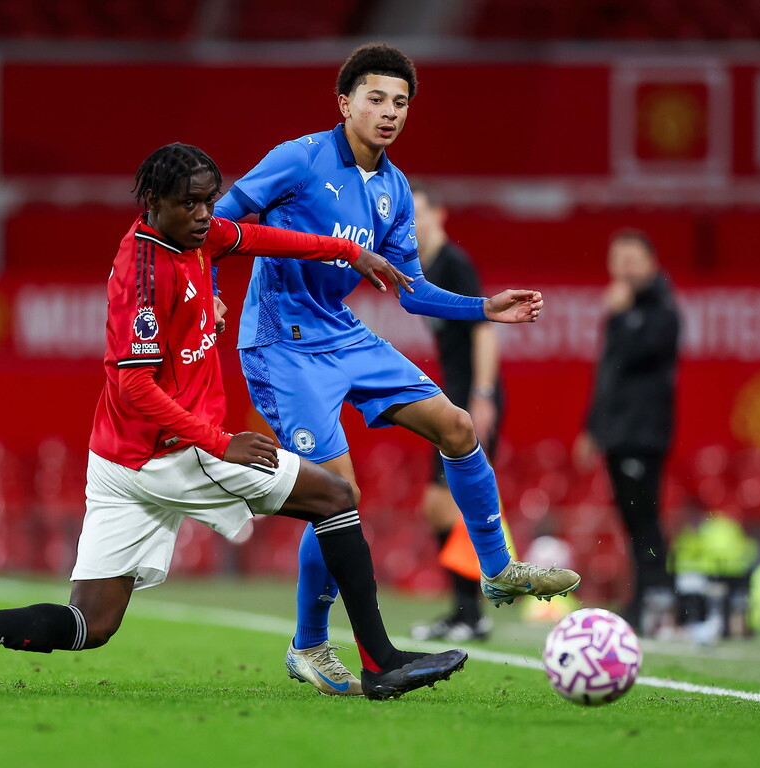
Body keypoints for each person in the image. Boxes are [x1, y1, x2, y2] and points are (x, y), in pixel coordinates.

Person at [0, 143, 468, 701]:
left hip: (117, 459)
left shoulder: (194, 237)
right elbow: (135, 386)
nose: (205, 214)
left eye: (209, 200)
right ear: (153, 203)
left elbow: (262, 238)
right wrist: (220, 442)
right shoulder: (143, 275)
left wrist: (348, 252)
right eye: (190, 204)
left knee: (92, 622)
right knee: (336, 496)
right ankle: (379, 662)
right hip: (174, 452)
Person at [214, 43, 580, 696]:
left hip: (343, 334)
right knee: (338, 496)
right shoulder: (299, 159)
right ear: (345, 103)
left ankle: (497, 571)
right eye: (376, 98)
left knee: (458, 427)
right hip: (281, 346)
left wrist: (482, 308)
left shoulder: (394, 188)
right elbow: (218, 221)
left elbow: (412, 292)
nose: (389, 112)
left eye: (401, 103)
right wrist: (209, 291)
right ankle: (310, 644)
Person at [407, 180, 502, 644]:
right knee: (437, 506)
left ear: (439, 215)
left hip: (468, 399)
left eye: (419, 212)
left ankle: (471, 613)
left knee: (450, 504)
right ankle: (466, 611)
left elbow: (484, 331)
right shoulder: (422, 270)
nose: (412, 222)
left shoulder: (453, 264)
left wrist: (482, 396)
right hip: (453, 396)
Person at [575, 228, 680, 637]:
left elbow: (639, 356)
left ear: (652, 264)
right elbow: (607, 375)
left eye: (632, 260)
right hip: (617, 433)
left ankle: (656, 596)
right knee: (631, 519)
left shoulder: (663, 310)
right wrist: (591, 429)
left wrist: (621, 315)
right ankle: (645, 597)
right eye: (618, 260)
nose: (624, 269)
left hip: (643, 433)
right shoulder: (622, 312)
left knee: (644, 518)